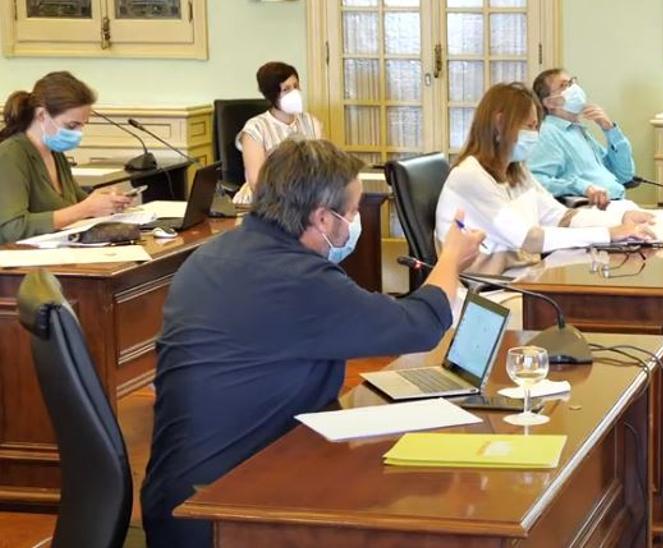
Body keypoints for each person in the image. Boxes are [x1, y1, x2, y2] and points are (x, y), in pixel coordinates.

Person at [141, 139, 484, 548]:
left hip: (189, 492)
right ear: (323, 218)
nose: (355, 220)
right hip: (223, 511)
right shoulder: (294, 279)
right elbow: (421, 325)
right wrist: (450, 259)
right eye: (353, 211)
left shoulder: (217, 253)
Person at [434, 82, 655, 277]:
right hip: (489, 288)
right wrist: (610, 234)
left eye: (536, 127)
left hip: (523, 276)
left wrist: (622, 219)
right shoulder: (470, 176)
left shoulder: (515, 169)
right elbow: (530, 239)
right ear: (500, 124)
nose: (535, 135)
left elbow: (560, 216)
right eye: (529, 127)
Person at [0, 71, 133, 244]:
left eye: (82, 125)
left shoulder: (55, 152)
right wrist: (86, 209)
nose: (78, 133)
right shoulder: (10, 154)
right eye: (72, 125)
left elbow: (75, 202)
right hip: (22, 264)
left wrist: (107, 201)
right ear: (41, 115)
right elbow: (13, 229)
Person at [527, 69, 635, 209]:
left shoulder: (577, 131)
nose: (574, 88)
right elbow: (536, 182)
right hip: (592, 209)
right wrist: (582, 187)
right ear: (549, 103)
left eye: (572, 82)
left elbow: (624, 174)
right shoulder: (547, 133)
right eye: (565, 85)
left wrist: (610, 129)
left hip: (615, 204)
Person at [232, 61, 323, 205]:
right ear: (272, 95)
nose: (294, 93)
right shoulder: (255, 128)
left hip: (306, 197)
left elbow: (322, 167)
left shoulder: (311, 123)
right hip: (267, 202)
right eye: (286, 89)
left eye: (296, 86)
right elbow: (257, 183)